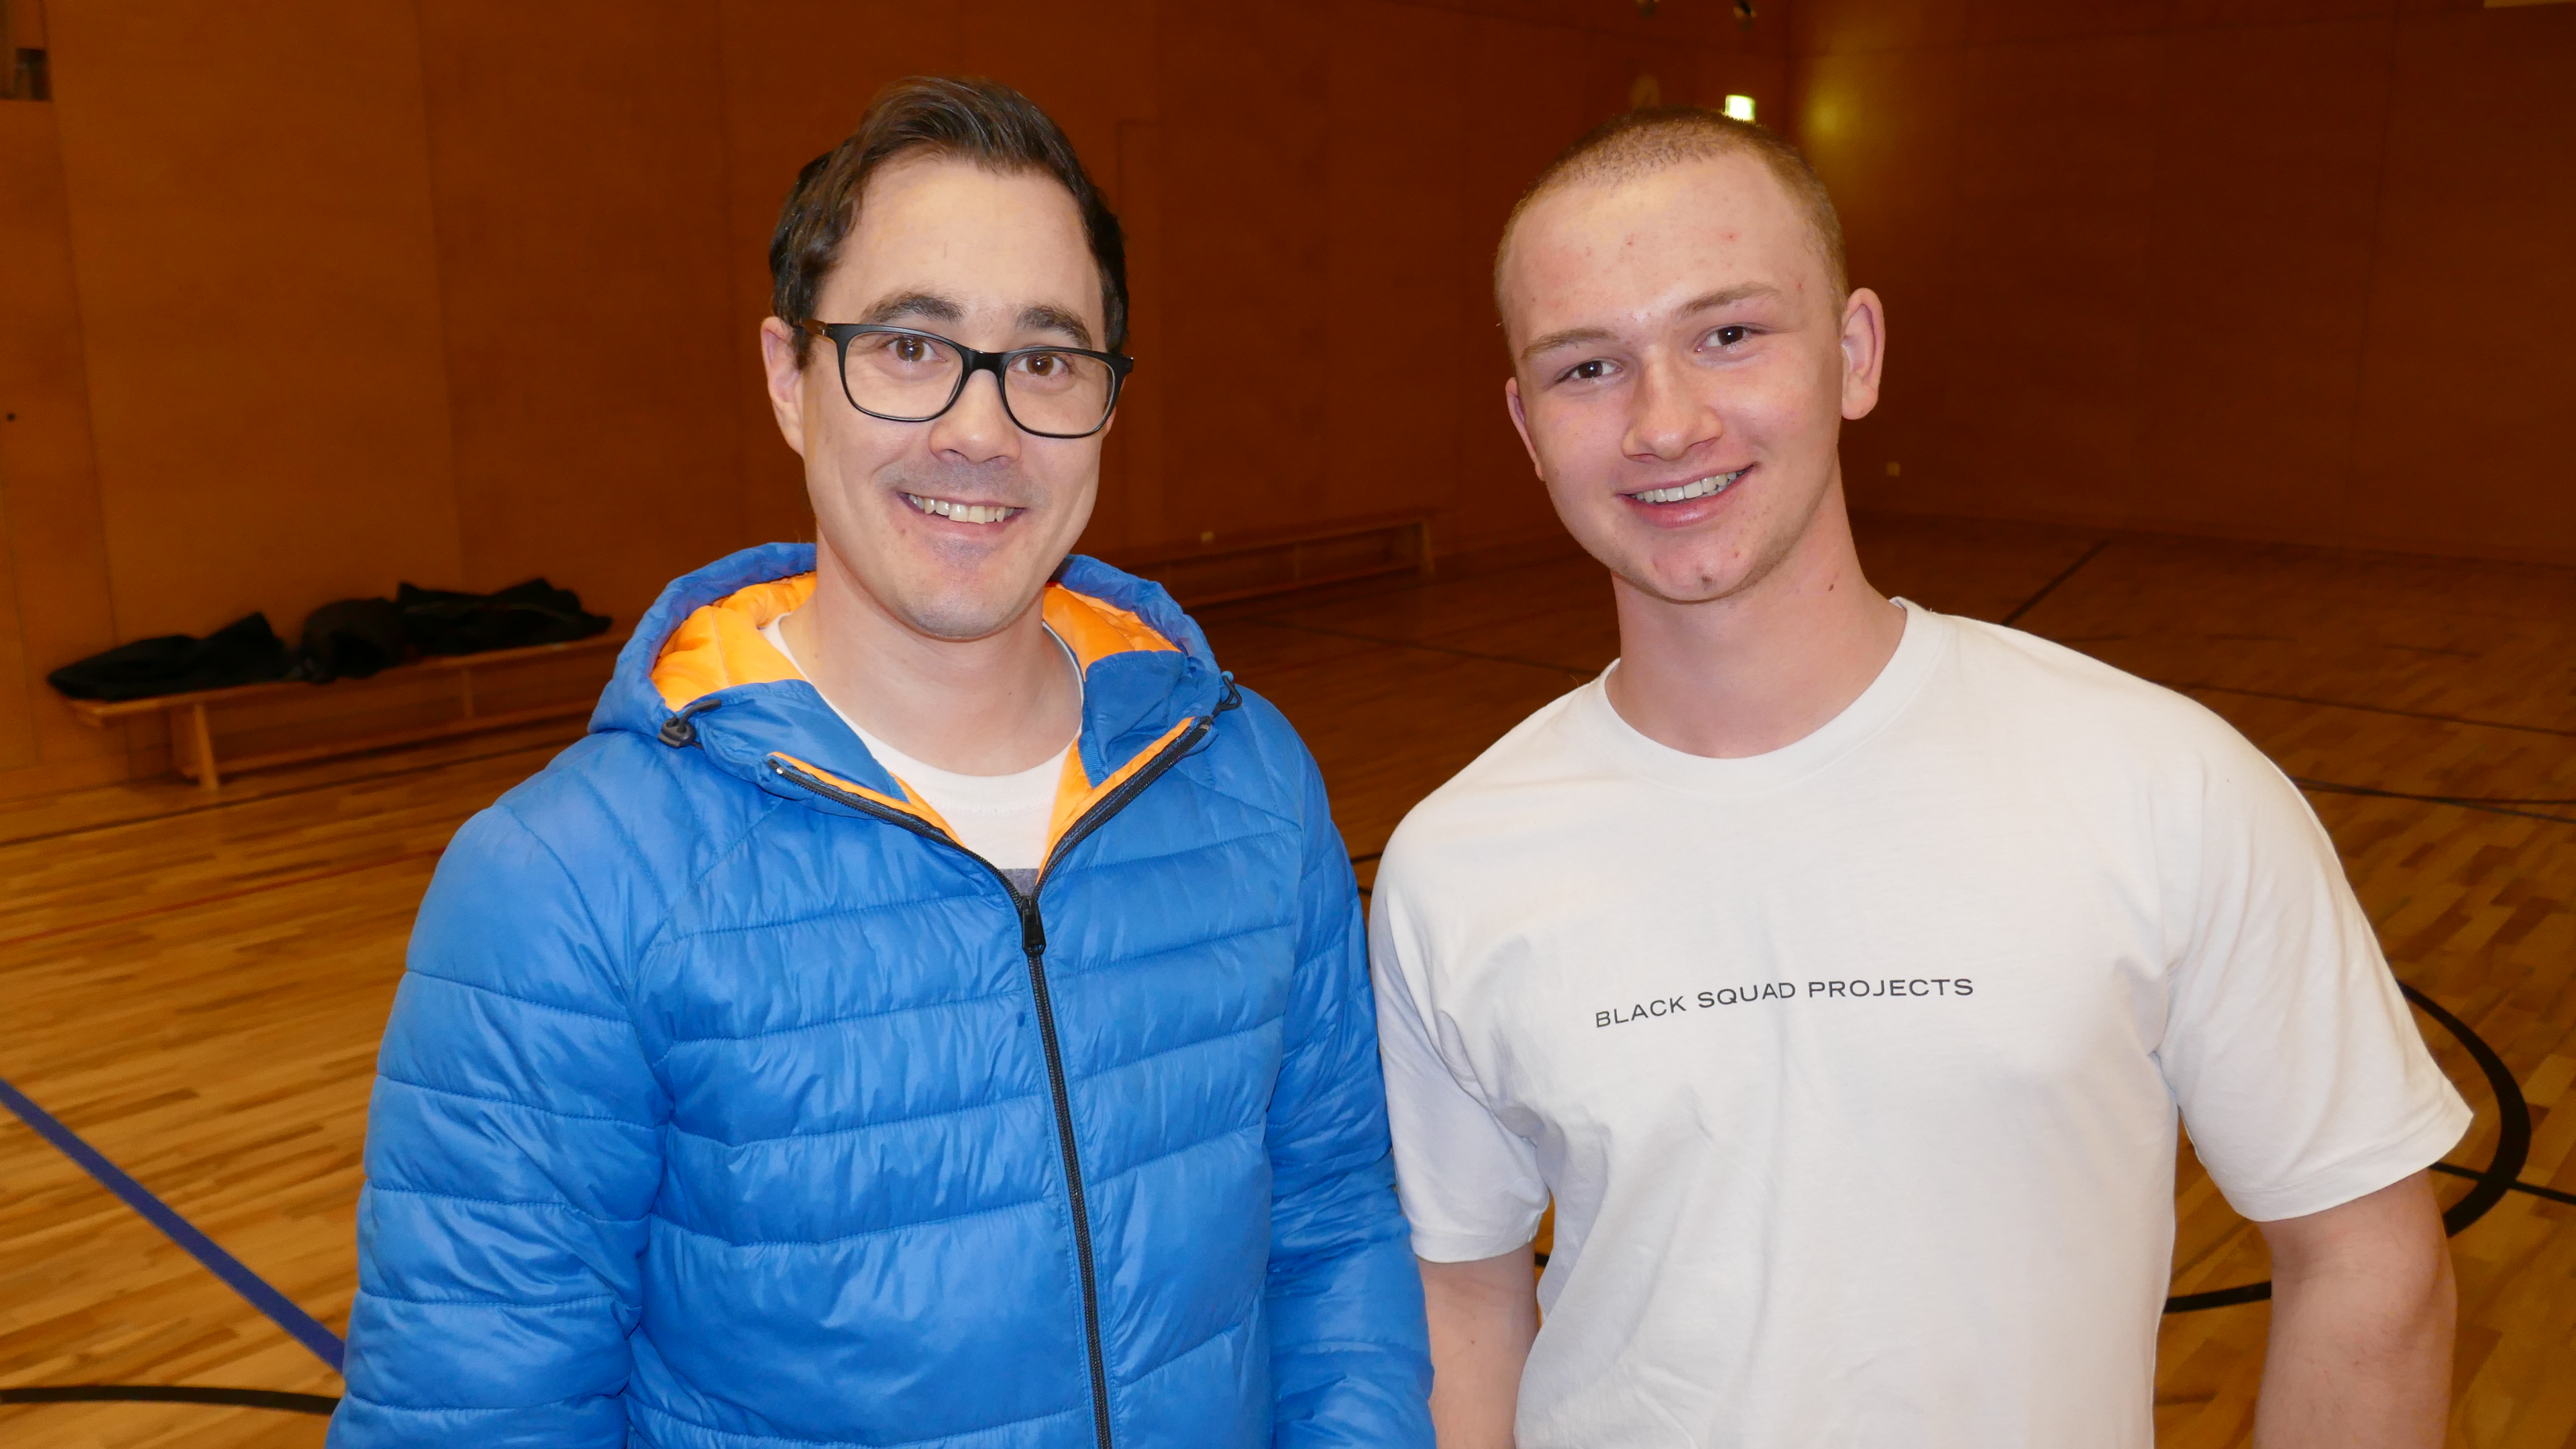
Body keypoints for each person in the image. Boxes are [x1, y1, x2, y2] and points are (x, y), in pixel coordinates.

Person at [331, 76, 1431, 1449]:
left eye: (1047, 361)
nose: (982, 430)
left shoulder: (1249, 781)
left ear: (1105, 403)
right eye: (910, 347)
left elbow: (1332, 1236)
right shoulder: (562, 885)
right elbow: (480, 1417)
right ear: (791, 377)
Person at [1368, 106, 2466, 1449]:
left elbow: (2365, 1256)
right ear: (1527, 425)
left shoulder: (2161, 782)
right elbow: (1466, 1299)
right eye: (1589, 367)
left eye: (1729, 334)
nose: (1666, 422)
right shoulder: (1456, 861)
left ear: (1854, 354)